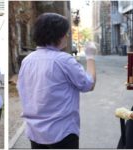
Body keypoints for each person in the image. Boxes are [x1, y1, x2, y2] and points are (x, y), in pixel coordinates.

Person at [17, 13, 96, 149]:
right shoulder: (64, 60)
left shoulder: (27, 61)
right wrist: (90, 57)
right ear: (58, 36)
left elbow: (23, 91)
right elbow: (88, 84)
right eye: (66, 33)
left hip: (35, 132)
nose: (67, 36)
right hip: (62, 132)